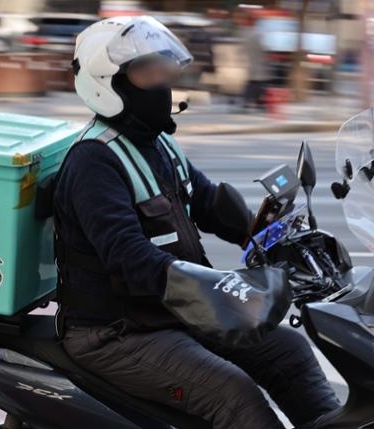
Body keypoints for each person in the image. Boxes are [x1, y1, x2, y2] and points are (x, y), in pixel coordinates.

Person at [53, 15, 339, 429]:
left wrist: (270, 238)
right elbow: (127, 255)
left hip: (171, 315)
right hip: (118, 333)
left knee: (289, 351)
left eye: (161, 68)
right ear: (107, 83)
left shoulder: (158, 143)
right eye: (146, 72)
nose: (161, 82)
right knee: (233, 394)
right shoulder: (93, 161)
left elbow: (207, 202)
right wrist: (216, 289)